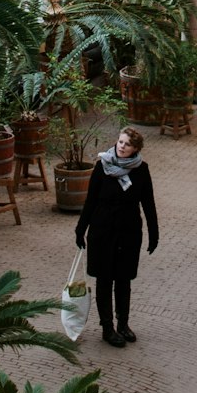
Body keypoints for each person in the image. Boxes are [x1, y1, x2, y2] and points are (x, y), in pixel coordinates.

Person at [75, 125, 158, 348]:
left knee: (123, 279)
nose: (122, 147)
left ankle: (123, 324)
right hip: (102, 231)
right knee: (104, 280)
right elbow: (90, 200)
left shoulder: (141, 170)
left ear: (136, 149)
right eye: (120, 142)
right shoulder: (102, 166)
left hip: (129, 231)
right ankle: (107, 328)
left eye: (127, 144)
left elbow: (148, 203)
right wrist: (80, 229)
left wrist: (154, 232)